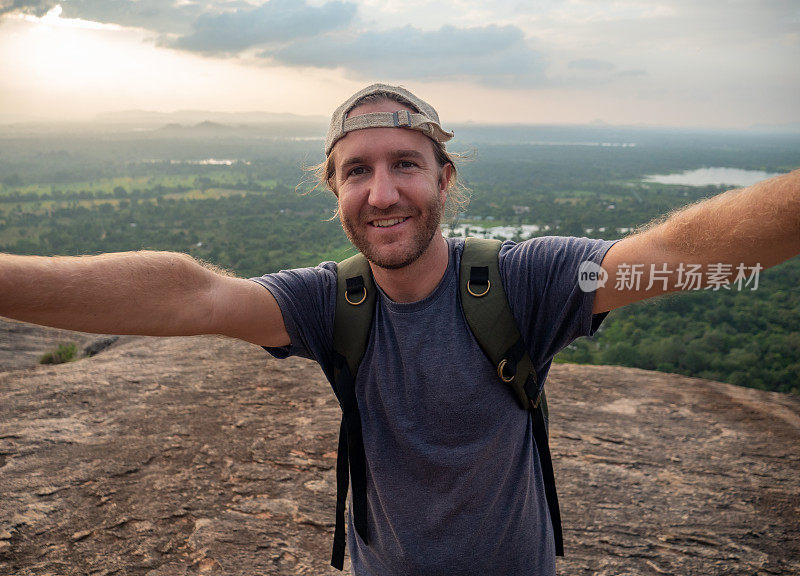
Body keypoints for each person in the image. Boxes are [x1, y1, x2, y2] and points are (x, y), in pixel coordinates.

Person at [0, 83, 798, 576]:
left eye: (406, 163)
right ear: (335, 190)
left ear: (444, 179)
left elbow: (682, 254)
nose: (383, 192)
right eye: (357, 170)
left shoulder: (527, 281)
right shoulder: (325, 303)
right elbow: (189, 296)